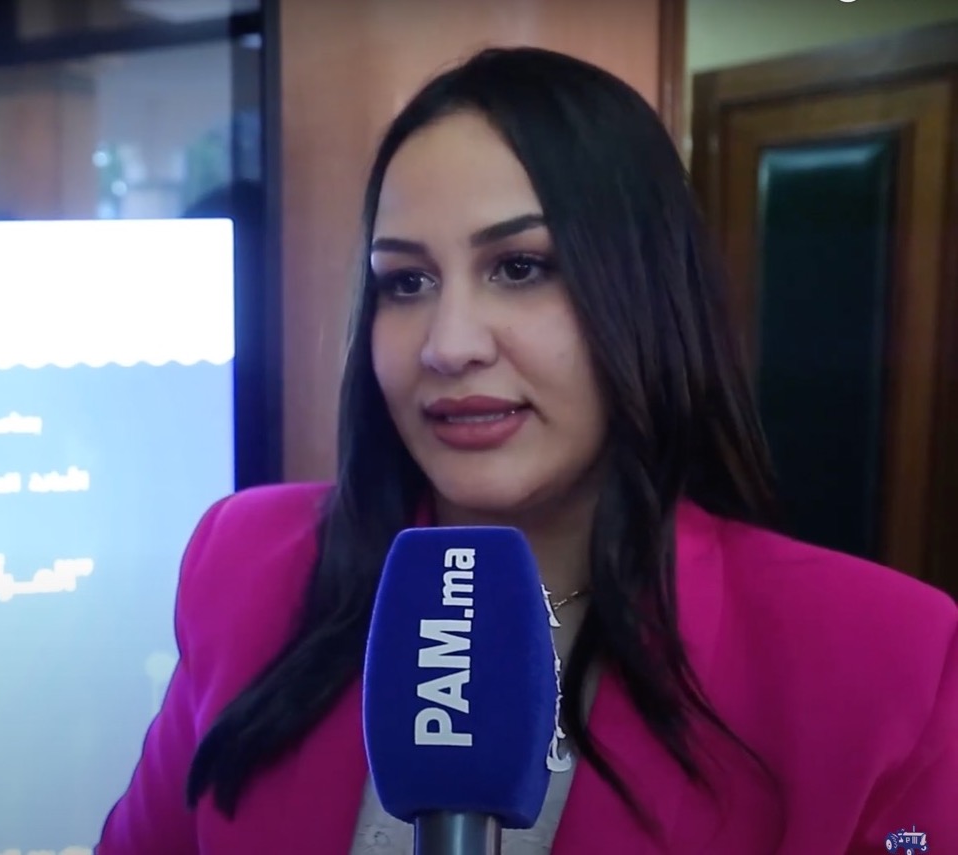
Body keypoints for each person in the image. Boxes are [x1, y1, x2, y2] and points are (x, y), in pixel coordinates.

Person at [95, 47, 957, 854]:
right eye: (405, 281)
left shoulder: (884, 658)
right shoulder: (247, 564)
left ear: (646, 289)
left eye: (519, 267)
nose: (448, 344)